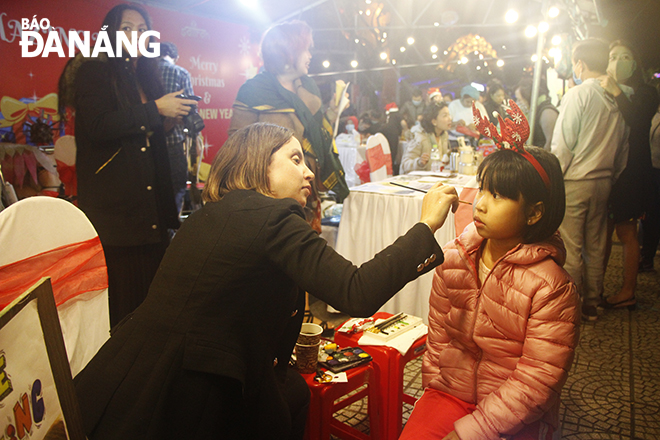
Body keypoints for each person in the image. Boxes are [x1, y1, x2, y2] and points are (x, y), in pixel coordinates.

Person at [73, 122, 459, 440]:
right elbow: (354, 291)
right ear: (258, 163)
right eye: (295, 158)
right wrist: (426, 226)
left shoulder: (218, 212)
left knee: (291, 395)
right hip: (194, 386)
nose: (309, 171)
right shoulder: (271, 218)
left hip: (137, 367)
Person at [400, 101, 579, 440]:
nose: (480, 203)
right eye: (482, 188)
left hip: (514, 412)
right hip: (450, 393)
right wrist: (433, 392)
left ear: (534, 212)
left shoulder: (551, 287)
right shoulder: (454, 258)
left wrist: (475, 430)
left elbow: (537, 379)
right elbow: (439, 336)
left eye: (498, 196)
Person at [62, 4, 197, 327]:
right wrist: (156, 109)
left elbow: (142, 134)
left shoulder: (143, 73)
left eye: (141, 29)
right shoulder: (94, 70)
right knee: (126, 309)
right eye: (127, 27)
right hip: (119, 212)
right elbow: (97, 126)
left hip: (151, 208)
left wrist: (169, 117)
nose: (135, 34)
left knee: (154, 302)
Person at [229, 20, 349, 233]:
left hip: (307, 192)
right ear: (288, 51)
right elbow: (237, 149)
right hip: (269, 196)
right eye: (306, 49)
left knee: (306, 254)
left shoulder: (309, 88)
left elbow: (317, 136)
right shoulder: (253, 91)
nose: (310, 55)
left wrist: (335, 111)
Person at [550, 38, 629, 321]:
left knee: (571, 246)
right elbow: (624, 148)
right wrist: (613, 175)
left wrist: (553, 180)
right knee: (596, 244)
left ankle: (570, 307)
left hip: (576, 181)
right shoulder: (618, 97)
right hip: (605, 180)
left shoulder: (577, 95)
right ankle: (592, 304)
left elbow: (562, 147)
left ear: (580, 64)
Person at [598, 40, 660, 309]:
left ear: (635, 64)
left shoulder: (646, 93)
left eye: (625, 56)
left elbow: (638, 120)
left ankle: (628, 290)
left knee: (626, 231)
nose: (618, 61)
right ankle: (600, 286)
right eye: (613, 56)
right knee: (608, 227)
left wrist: (617, 93)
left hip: (633, 171)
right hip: (612, 169)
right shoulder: (603, 91)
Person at [158, 41, 195, 214]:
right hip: (173, 144)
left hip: (146, 145)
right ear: (175, 57)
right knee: (176, 190)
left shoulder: (142, 74)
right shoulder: (180, 73)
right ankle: (172, 234)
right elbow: (190, 111)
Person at [401, 102, 451, 174]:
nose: (450, 119)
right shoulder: (419, 137)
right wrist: (419, 162)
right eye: (445, 116)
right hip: (416, 181)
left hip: (435, 178)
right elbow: (405, 165)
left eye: (449, 115)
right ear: (434, 121)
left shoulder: (443, 135)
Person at [515, 77, 559, 150]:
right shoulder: (532, 113)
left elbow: (552, 144)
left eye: (519, 100)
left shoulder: (547, 113)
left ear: (528, 97)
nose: (518, 103)